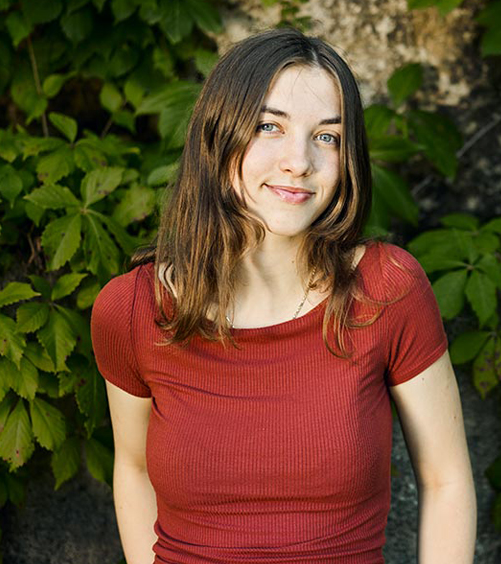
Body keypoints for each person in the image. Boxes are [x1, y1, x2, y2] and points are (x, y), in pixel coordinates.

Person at [89, 28, 476, 564]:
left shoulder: (387, 290)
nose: (299, 161)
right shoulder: (133, 311)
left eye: (327, 137)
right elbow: (131, 470)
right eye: (270, 126)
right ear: (219, 134)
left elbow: (446, 479)